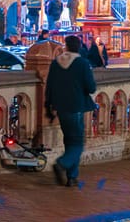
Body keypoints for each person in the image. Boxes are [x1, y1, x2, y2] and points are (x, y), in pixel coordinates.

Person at [44, 34, 97, 188]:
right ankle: (62, 164)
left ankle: (71, 177)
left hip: (60, 107)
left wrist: (49, 106)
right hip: (76, 106)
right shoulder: (82, 63)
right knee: (78, 143)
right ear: (78, 47)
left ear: (66, 46)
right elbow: (91, 87)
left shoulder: (55, 63)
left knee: (69, 141)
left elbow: (50, 86)